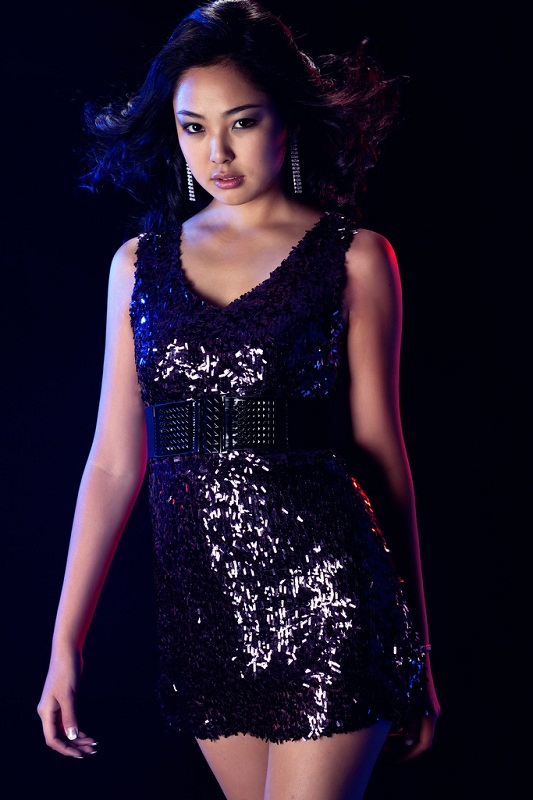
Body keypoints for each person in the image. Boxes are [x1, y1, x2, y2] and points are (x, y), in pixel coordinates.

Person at [37, 1, 440, 798]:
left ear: (287, 117)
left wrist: (419, 651)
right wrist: (64, 644)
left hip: (329, 593)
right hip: (202, 609)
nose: (215, 153)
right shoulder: (136, 266)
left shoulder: (355, 259)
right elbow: (114, 463)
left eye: (242, 123)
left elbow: (382, 459)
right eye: (192, 128)